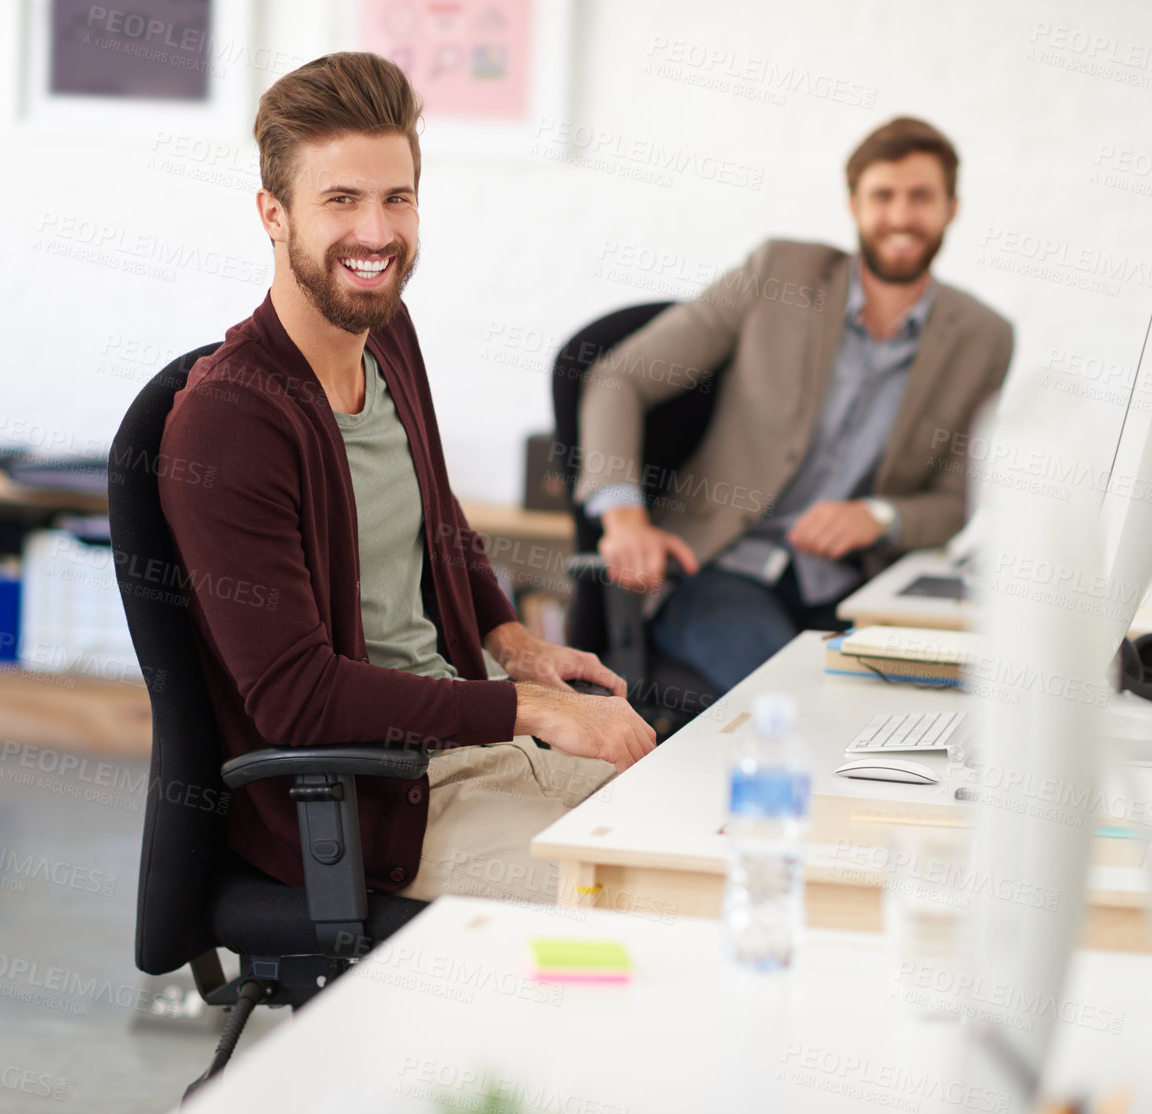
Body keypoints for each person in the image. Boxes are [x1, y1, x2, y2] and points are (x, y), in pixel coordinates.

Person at [158, 52, 654, 905]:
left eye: (397, 197)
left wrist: (512, 643)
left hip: (476, 753)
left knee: (709, 836)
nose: (377, 234)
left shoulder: (384, 332)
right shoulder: (231, 420)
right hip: (376, 813)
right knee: (656, 899)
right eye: (341, 200)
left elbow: (439, 517)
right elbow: (295, 700)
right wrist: (530, 709)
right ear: (272, 215)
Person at [575, 116, 1013, 692]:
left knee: (941, 697)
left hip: (853, 588)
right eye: (883, 195)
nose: (902, 217)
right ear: (854, 204)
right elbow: (619, 378)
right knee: (798, 699)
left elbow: (950, 505)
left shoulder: (983, 336)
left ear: (951, 208)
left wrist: (878, 517)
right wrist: (625, 519)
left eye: (921, 197)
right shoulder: (778, 273)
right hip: (718, 570)